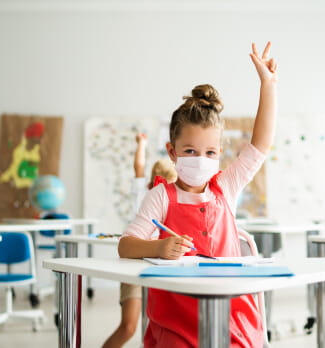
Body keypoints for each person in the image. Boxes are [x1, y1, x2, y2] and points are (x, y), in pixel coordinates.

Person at [118, 41, 277, 348]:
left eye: (210, 152)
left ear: (219, 154)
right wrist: (158, 247)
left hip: (232, 315)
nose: (200, 159)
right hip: (177, 321)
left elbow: (260, 145)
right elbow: (126, 246)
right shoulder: (161, 196)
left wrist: (268, 85)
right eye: (190, 151)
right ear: (172, 152)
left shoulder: (225, 187)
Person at [103, 133, 177, 348]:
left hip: (161, 268)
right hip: (133, 267)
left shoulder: (176, 199)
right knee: (129, 327)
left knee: (161, 328)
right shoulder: (142, 194)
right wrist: (141, 144)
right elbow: (139, 166)